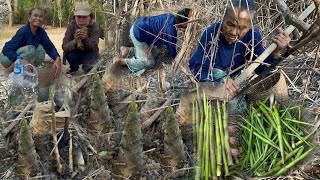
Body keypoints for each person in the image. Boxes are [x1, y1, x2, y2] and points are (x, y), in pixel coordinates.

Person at [188, 0, 290, 111]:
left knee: (243, 109)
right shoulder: (211, 34)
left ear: (249, 26)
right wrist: (220, 83)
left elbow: (262, 70)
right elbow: (199, 70)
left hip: (234, 81)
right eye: (230, 24)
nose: (233, 32)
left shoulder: (252, 37)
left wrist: (275, 52)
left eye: (242, 28)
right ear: (223, 20)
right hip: (211, 81)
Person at [113, 8, 192, 75]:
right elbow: (172, 50)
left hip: (138, 25)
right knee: (150, 63)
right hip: (138, 34)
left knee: (154, 52)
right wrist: (177, 57)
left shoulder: (170, 16)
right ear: (184, 24)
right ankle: (121, 61)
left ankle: (128, 50)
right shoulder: (171, 31)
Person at [0, 8, 61, 77]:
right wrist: (21, 59)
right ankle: (8, 71)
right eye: (35, 15)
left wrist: (57, 58)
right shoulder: (23, 31)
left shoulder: (41, 32)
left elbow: (49, 46)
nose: (38, 18)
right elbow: (7, 50)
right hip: (6, 57)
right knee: (31, 49)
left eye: (41, 16)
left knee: (41, 49)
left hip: (21, 55)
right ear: (29, 18)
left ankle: (31, 70)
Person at [62, 1, 100, 76]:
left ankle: (88, 69)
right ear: (75, 17)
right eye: (79, 16)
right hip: (76, 52)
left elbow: (94, 47)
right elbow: (65, 47)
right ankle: (73, 69)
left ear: (90, 17)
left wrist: (85, 39)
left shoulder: (95, 27)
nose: (81, 20)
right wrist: (75, 41)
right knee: (70, 55)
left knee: (89, 66)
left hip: (89, 52)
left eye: (84, 17)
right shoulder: (71, 26)